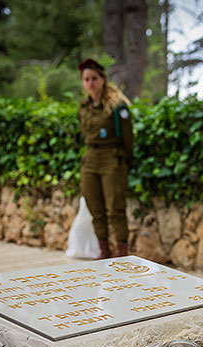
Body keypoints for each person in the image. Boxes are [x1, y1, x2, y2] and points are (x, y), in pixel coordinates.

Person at [78, 58, 133, 259]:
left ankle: (122, 254)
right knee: (96, 209)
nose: (90, 83)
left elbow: (128, 139)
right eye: (86, 79)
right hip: (90, 159)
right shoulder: (83, 108)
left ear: (103, 79)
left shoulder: (117, 107)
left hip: (112, 158)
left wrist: (123, 161)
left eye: (94, 78)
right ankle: (104, 252)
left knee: (115, 208)